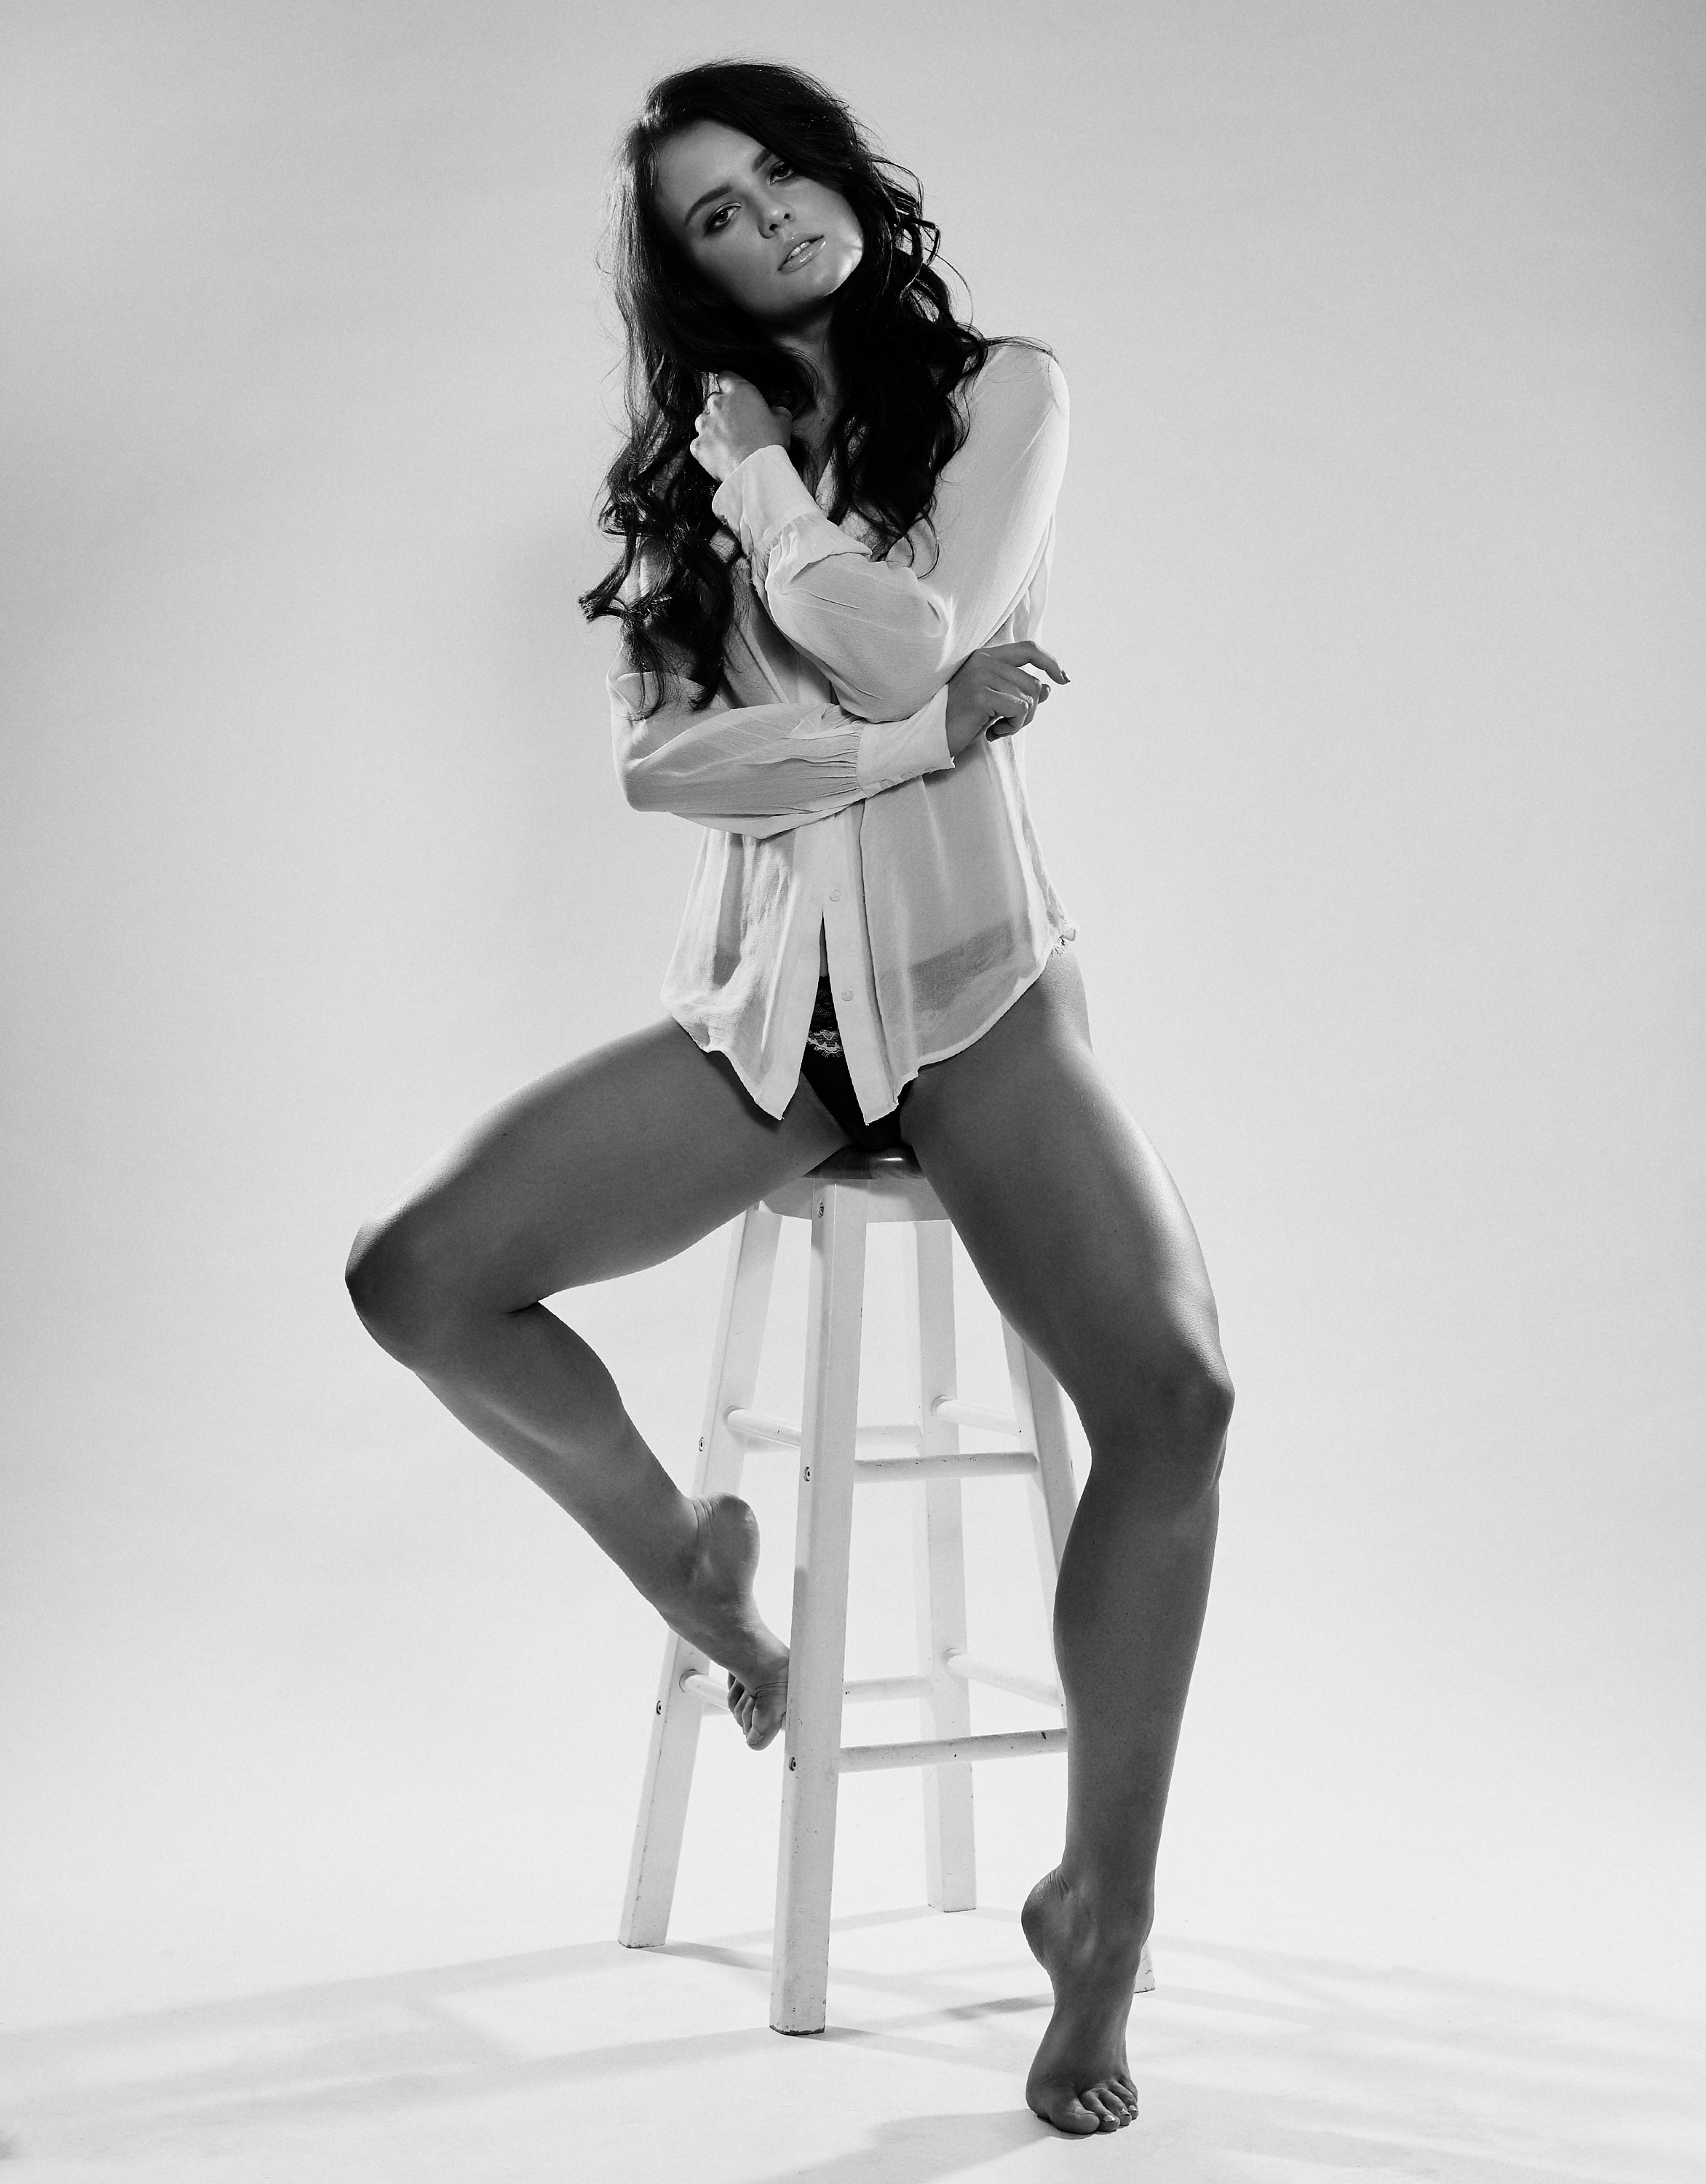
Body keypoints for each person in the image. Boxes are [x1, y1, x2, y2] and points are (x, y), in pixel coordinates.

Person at [346, 58, 1234, 2139]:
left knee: (1178, 1400)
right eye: (718, 219)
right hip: (778, 1021)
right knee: (417, 1279)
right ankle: (699, 1578)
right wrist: (904, 731)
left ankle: (1099, 1912)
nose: (772, 222)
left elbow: (915, 636)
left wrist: (792, 530)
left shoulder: (1005, 396)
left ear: (843, 173)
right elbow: (672, 768)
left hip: (978, 993)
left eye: (780, 175)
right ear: (693, 277)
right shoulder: (687, 483)